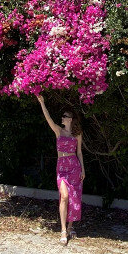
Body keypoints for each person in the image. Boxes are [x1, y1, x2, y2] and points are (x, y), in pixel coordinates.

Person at [36, 94, 85, 245]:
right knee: (64, 196)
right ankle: (63, 229)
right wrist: (42, 103)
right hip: (62, 167)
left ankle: (70, 226)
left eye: (64, 116)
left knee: (73, 197)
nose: (62, 118)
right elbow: (49, 119)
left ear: (70, 119)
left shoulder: (77, 134)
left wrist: (83, 169)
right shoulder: (58, 131)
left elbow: (79, 152)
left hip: (74, 167)